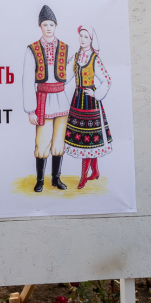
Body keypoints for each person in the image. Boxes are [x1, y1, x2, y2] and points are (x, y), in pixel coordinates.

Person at [22, 5, 74, 192]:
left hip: (61, 98)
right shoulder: (32, 49)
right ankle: (40, 180)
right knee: (42, 141)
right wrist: (30, 109)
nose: (48, 28)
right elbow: (27, 80)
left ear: (56, 26)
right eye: (45, 24)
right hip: (43, 100)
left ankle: (56, 178)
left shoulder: (66, 48)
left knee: (59, 141)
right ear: (40, 27)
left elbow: (71, 73)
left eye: (51, 24)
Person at [63, 26, 113, 189]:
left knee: (89, 139)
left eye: (86, 37)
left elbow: (107, 80)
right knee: (87, 139)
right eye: (81, 36)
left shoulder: (94, 59)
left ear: (91, 40)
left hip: (90, 102)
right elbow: (65, 76)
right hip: (77, 100)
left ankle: (84, 176)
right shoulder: (76, 57)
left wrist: (96, 93)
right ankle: (95, 171)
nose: (82, 39)